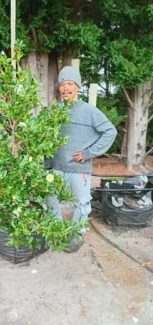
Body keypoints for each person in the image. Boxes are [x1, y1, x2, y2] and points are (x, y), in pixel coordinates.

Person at [45, 66, 117, 253]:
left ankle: (76, 234)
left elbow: (110, 132)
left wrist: (88, 153)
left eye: (70, 84)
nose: (66, 88)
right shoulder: (54, 111)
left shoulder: (89, 111)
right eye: (62, 84)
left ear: (78, 86)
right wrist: (47, 164)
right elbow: (44, 138)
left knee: (82, 202)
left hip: (79, 168)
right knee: (51, 198)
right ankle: (56, 230)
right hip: (56, 168)